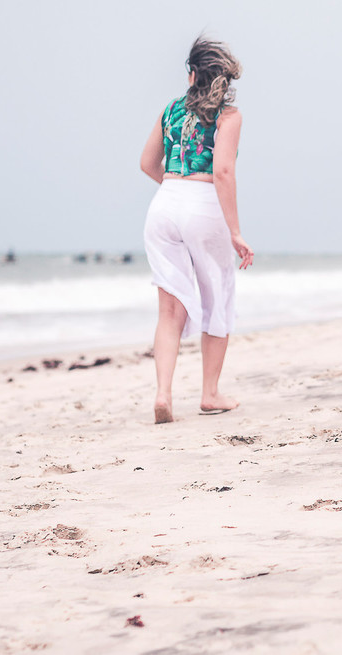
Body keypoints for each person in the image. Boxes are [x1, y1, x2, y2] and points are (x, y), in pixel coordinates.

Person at [139, 37, 254, 424]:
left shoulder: (169, 110)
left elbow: (147, 163)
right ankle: (210, 393)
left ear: (192, 74)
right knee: (217, 295)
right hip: (204, 203)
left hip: (165, 202)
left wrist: (175, 189)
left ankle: (163, 394)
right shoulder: (228, 116)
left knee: (169, 308)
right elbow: (223, 171)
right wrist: (235, 231)